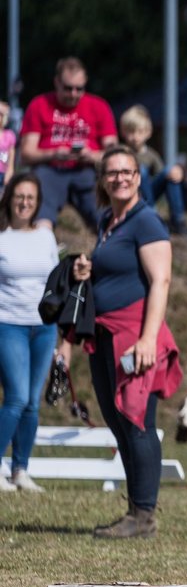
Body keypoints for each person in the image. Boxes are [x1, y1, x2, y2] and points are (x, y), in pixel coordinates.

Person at [58, 145, 183, 538]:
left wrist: (148, 339)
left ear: (138, 176)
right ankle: (134, 510)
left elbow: (161, 280)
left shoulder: (147, 221)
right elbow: (117, 268)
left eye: (126, 171)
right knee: (117, 421)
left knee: (137, 422)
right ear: (103, 179)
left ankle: (144, 516)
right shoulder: (108, 219)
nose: (119, 178)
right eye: (111, 173)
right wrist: (86, 267)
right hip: (104, 333)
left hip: (134, 335)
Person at [0, 174, 59, 492]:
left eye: (31, 198)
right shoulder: (2, 236)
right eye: (19, 196)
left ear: (37, 204)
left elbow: (54, 287)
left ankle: (20, 469)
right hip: (8, 325)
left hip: (44, 328)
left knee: (32, 403)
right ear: (10, 198)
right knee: (16, 398)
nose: (24, 202)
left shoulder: (46, 236)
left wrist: (62, 335)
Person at [18, 57, 119, 229]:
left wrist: (92, 155)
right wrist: (55, 153)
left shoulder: (99, 106)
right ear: (56, 82)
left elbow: (114, 154)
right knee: (41, 212)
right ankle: (43, 245)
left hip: (88, 172)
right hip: (49, 170)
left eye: (79, 89)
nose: (73, 94)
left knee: (109, 219)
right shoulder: (39, 105)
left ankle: (108, 249)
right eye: (68, 88)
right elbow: (26, 153)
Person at [118, 105, 187, 237]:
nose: (135, 137)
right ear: (123, 132)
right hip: (128, 194)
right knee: (142, 171)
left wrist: (177, 172)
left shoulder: (151, 155)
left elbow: (161, 174)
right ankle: (151, 215)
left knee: (170, 170)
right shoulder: (120, 152)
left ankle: (178, 219)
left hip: (148, 195)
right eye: (131, 131)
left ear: (148, 132)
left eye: (139, 132)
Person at [0, 101, 17, 187]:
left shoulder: (9, 135)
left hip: (3, 173)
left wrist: (10, 171)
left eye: (1, 115)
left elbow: (11, 156)